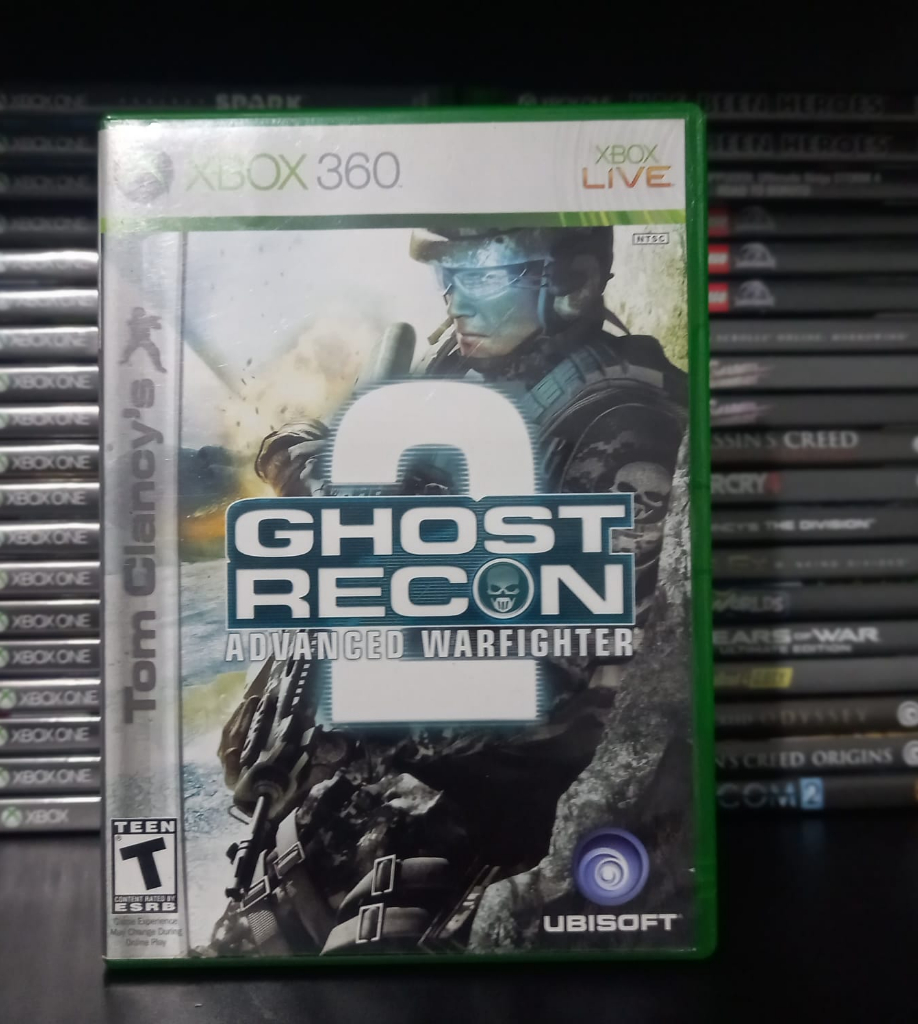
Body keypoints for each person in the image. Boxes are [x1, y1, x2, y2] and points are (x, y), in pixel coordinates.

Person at [212, 226, 690, 956]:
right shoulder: (466, 371)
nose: (456, 300)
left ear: (575, 282)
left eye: (485, 274)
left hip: (480, 836)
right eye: (448, 275)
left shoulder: (626, 429)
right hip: (360, 803)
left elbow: (578, 694)